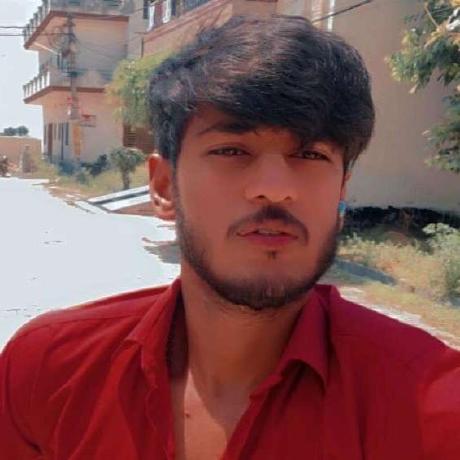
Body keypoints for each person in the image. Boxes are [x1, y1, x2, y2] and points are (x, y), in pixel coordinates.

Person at [1, 15, 459, 460]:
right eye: (231, 150)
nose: (275, 187)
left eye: (311, 154)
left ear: (341, 190)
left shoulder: (433, 410)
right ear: (164, 187)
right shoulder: (48, 372)